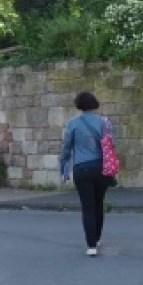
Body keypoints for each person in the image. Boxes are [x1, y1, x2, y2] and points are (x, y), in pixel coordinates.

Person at [59, 91, 114, 256]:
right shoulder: (104, 123)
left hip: (81, 169)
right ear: (94, 104)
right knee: (98, 204)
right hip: (101, 168)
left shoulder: (72, 124)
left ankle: (91, 246)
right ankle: (96, 238)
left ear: (78, 105)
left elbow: (66, 148)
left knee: (87, 207)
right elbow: (112, 144)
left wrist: (64, 168)